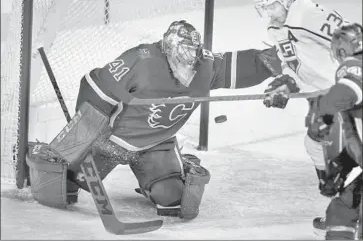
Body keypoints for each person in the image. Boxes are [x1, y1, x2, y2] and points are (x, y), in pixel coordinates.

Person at [27, 20, 281, 219]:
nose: (188, 65)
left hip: (156, 144)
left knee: (175, 201)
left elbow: (244, 65)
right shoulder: (140, 59)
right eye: (182, 58)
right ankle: (38, 153)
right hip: (110, 141)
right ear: (168, 49)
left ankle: (167, 171)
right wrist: (87, 136)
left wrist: (282, 57)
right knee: (62, 189)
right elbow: (94, 86)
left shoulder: (205, 65)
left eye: (193, 57)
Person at [253, 0, 353, 234]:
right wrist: (285, 83)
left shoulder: (306, 15)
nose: (270, 13)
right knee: (318, 146)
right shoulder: (276, 27)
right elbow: (292, 65)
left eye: (272, 6)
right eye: (264, 9)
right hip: (324, 97)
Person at [307, 23, 362, 240]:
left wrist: (321, 111)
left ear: (341, 51)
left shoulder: (352, 66)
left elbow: (346, 91)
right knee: (342, 210)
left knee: (344, 210)